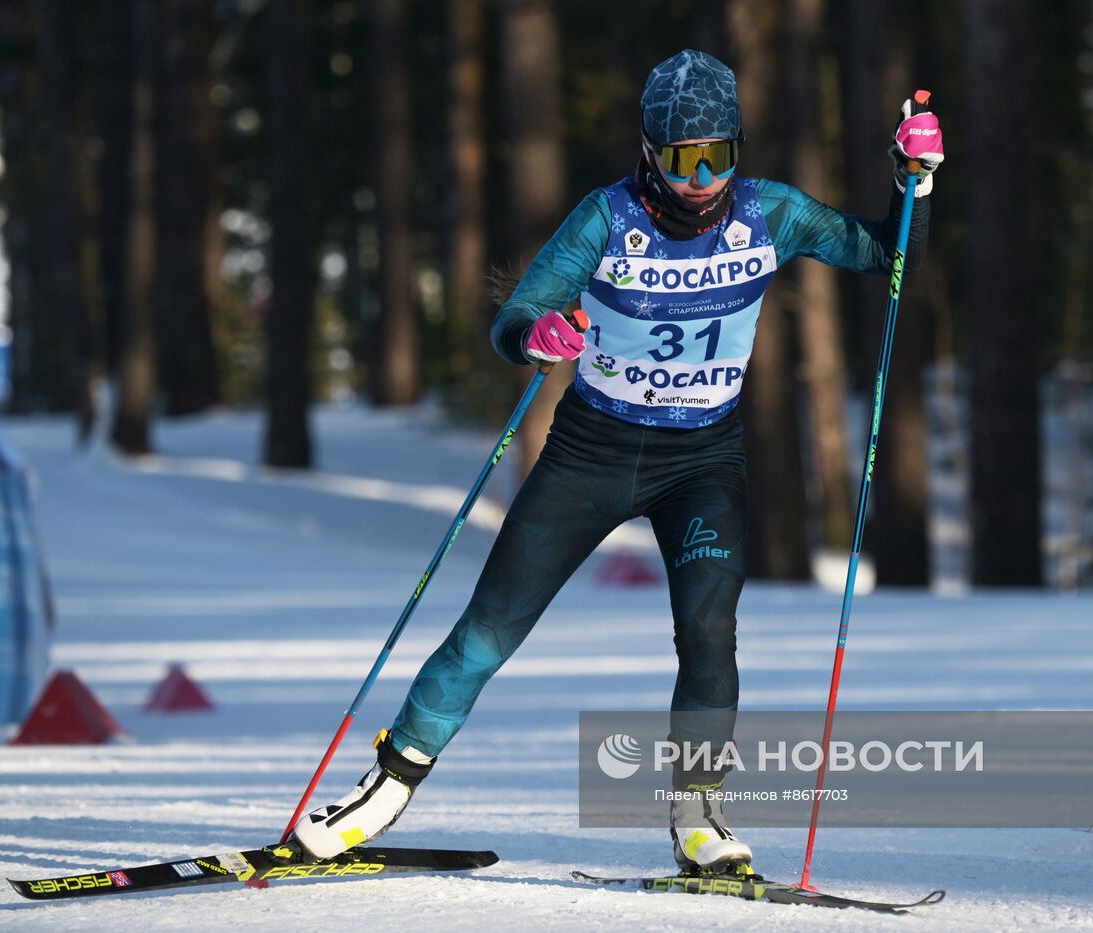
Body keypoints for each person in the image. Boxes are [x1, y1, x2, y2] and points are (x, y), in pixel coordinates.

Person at [292, 49, 943, 874]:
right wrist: (538, 334)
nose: (702, 177)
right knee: (489, 630)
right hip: (592, 453)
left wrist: (912, 180)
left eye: (719, 155)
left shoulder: (770, 213)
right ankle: (382, 789)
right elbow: (522, 310)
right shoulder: (607, 219)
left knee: (709, 630)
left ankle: (698, 813)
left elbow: (889, 259)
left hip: (703, 460)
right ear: (648, 150)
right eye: (681, 159)